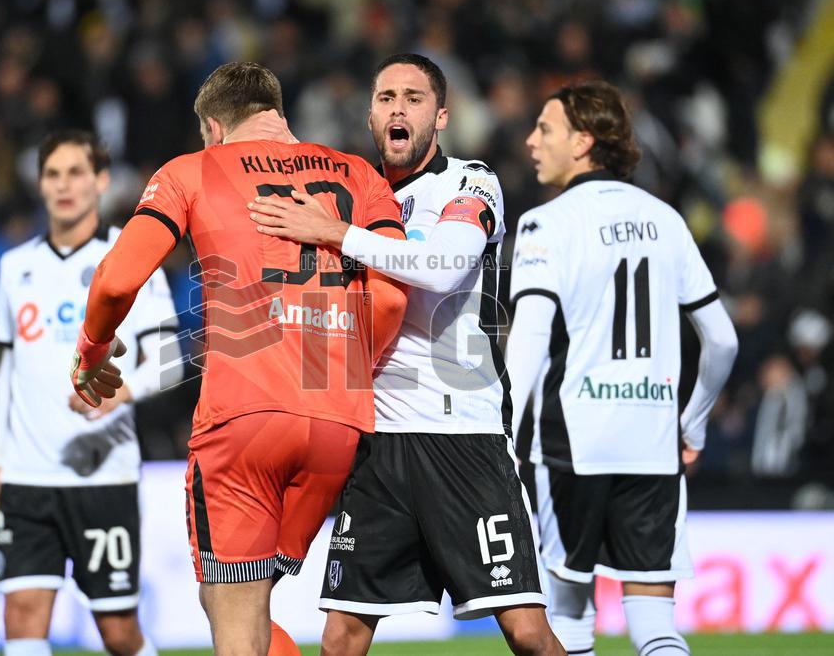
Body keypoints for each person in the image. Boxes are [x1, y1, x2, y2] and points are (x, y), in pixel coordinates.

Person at [71, 62, 409, 656]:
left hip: (245, 420)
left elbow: (118, 279)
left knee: (233, 614)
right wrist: (351, 375)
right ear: (278, 114)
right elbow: (389, 295)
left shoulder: (191, 171)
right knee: (248, 600)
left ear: (213, 126)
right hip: (338, 427)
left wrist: (92, 350)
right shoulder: (360, 175)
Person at [247, 54, 564, 656]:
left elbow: (444, 269)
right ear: (369, 115)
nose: (398, 108)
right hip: (377, 441)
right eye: (386, 97)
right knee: (341, 638)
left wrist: (334, 234)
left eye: (414, 98)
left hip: (461, 437)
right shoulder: (350, 197)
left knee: (527, 634)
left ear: (441, 115)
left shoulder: (471, 182)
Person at [505, 81, 739, 656]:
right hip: (653, 440)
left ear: (583, 141)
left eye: (546, 129)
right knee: (656, 622)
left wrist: (501, 436)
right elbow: (723, 340)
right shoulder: (667, 220)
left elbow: (530, 340)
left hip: (569, 443)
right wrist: (694, 424)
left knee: (567, 616)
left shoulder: (545, 224)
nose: (532, 141)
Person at [0, 129, 182, 656]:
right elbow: (10, 371)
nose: (63, 186)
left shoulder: (131, 260)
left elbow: (169, 361)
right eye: (53, 174)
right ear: (39, 184)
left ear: (99, 181)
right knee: (22, 617)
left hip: (103, 474)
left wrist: (121, 394)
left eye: (76, 172)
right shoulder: (14, 268)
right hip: (27, 474)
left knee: (117, 631)